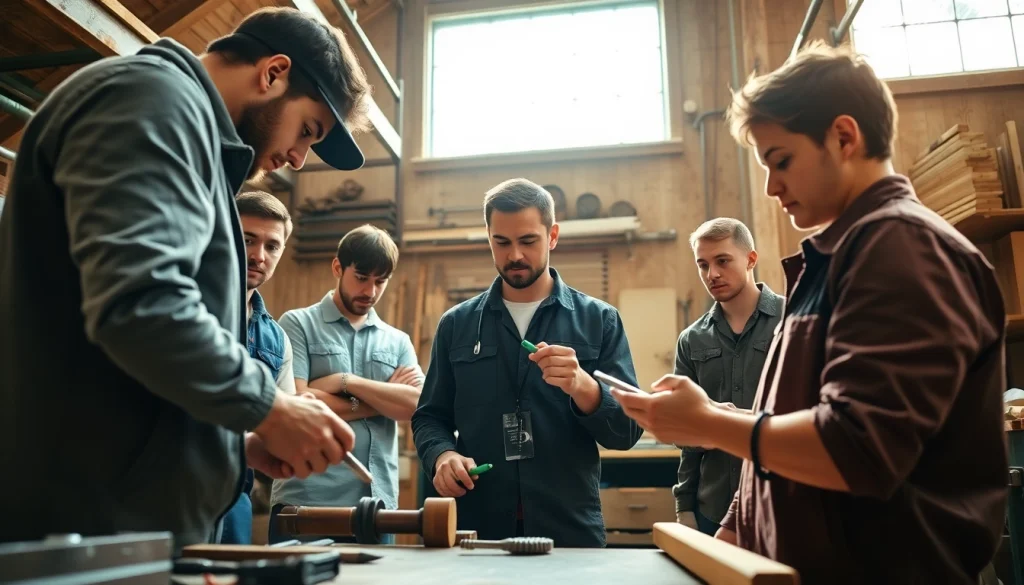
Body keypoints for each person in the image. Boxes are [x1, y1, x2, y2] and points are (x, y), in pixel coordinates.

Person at [611, 42, 1007, 584]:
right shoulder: (832, 262)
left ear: (844, 137)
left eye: (782, 161)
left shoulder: (901, 250)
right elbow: (784, 444)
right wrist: (730, 536)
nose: (772, 187)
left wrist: (709, 423)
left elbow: (857, 446)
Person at [0, 7, 373, 550]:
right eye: (308, 130)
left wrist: (228, 445)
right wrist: (268, 406)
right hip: (86, 533)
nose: (298, 157)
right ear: (272, 72)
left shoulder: (193, 138)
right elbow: (141, 303)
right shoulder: (150, 101)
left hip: (127, 527)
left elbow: (127, 369)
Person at [412, 178, 644, 548]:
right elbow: (429, 417)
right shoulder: (456, 324)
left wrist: (584, 387)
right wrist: (442, 456)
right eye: (501, 242)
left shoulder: (600, 321)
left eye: (528, 241)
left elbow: (627, 433)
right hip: (478, 530)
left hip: (570, 529)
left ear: (552, 236)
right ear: (488, 237)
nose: (515, 255)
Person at [268, 225, 424, 544]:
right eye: (362, 277)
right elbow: (298, 402)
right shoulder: (297, 323)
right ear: (338, 267)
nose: (370, 290)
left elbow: (417, 405)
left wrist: (346, 381)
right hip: (306, 500)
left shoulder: (398, 341)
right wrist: (380, 403)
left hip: (377, 505)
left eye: (380, 281)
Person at [672, 218, 783, 536]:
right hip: (711, 508)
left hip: (780, 507)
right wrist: (685, 507)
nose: (712, 274)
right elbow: (686, 433)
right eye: (703, 265)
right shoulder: (692, 340)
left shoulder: (793, 320)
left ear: (750, 259)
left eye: (722, 261)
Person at [219, 191, 299, 544]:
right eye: (247, 239)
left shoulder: (277, 339)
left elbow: (283, 424)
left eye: (272, 246)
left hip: (236, 496)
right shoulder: (189, 313)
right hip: (166, 494)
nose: (258, 255)